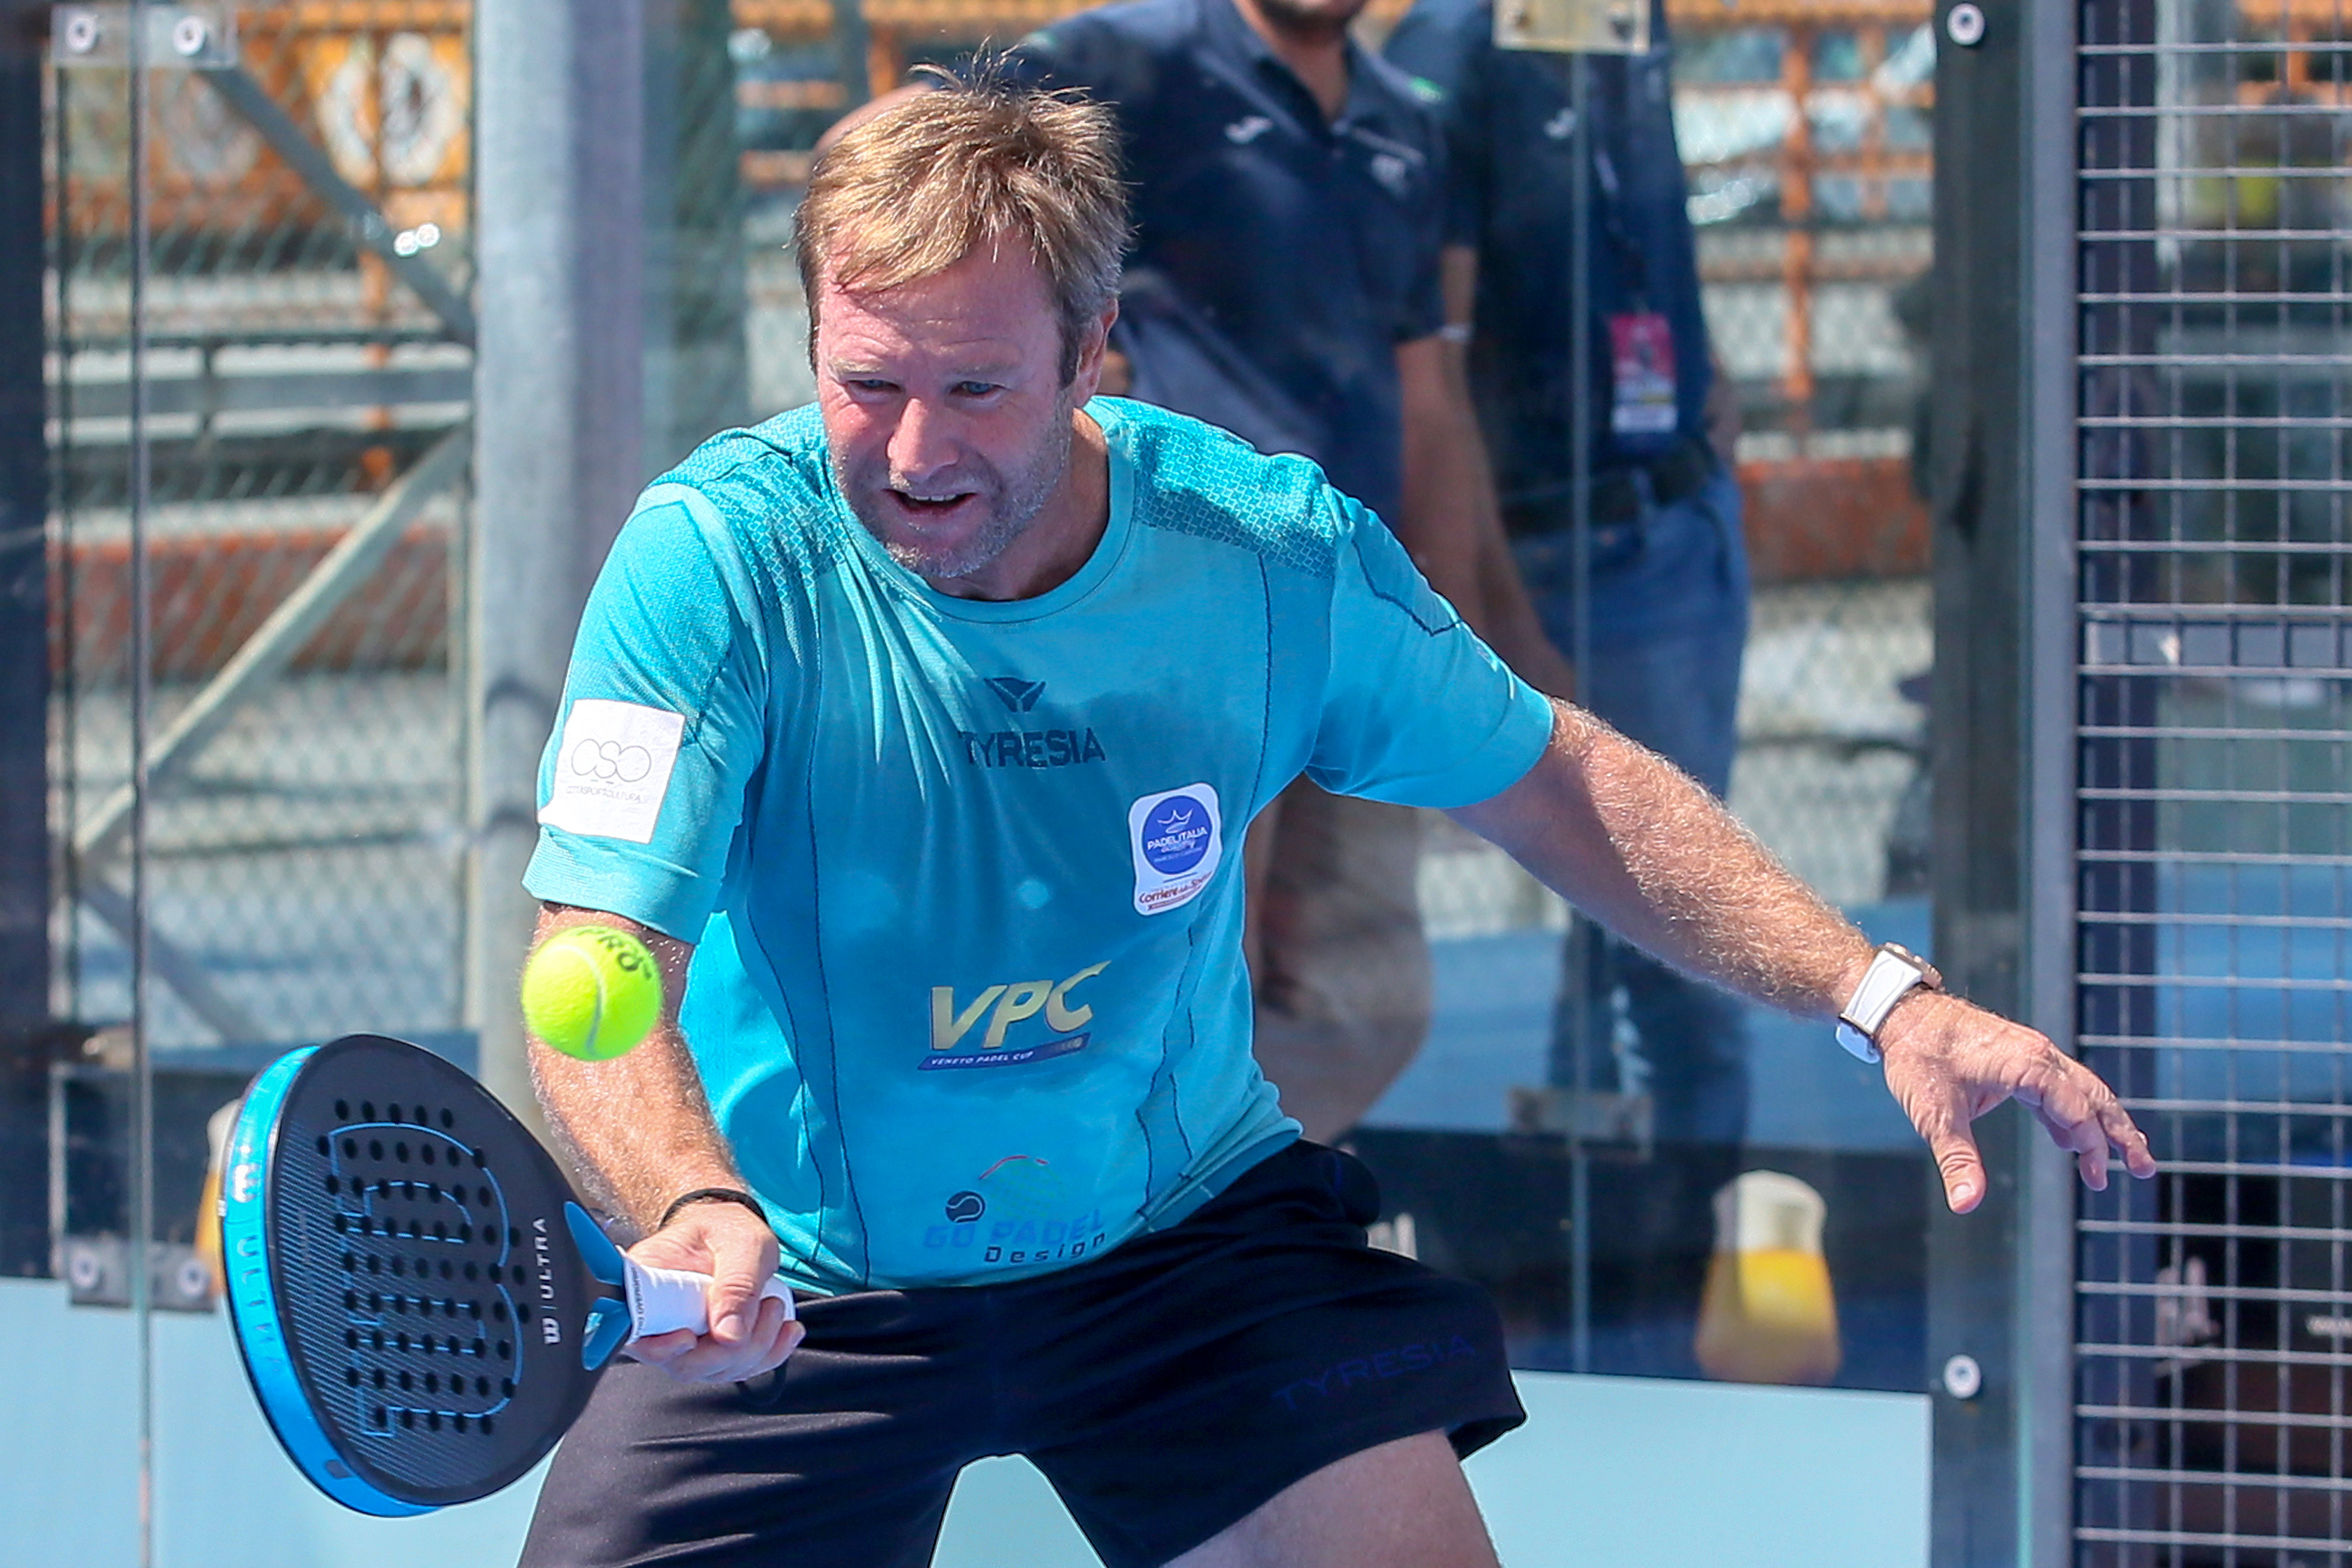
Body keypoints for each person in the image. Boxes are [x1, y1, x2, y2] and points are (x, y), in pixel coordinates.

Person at [514, 78, 2151, 1568]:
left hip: (1174, 1249)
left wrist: (1881, 996)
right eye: (865, 384)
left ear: (1090, 354)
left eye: (977, 386)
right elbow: (597, 954)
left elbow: (1556, 780)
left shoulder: (1263, 555)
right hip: (791, 1277)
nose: (915, 450)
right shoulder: (715, 562)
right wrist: (692, 1202)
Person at [979, 0, 1577, 1142]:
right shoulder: (1133, 61)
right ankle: (1164, 1207)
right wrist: (1057, 381)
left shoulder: (1404, 121)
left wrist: (1461, 632)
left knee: (1373, 1000)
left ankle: (1220, 1190)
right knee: (1183, 971)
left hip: (1344, 621)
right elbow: (901, 148)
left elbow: (1428, 398)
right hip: (1173, 621)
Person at [1385, 0, 1755, 1360]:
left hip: (1675, 516)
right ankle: (1632, 1301)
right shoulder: (1448, 56)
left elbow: (1636, 231)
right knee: (1672, 922)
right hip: (1560, 548)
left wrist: (1706, 392)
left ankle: (1682, 1282)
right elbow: (1433, 358)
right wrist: (1487, 602)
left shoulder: (1627, 26)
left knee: (1669, 930)